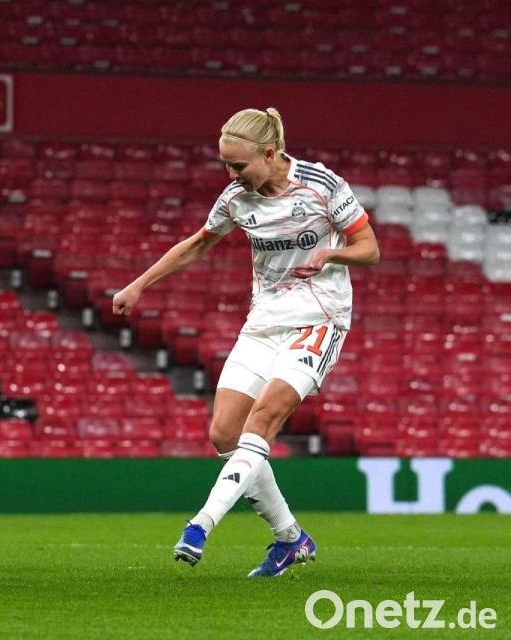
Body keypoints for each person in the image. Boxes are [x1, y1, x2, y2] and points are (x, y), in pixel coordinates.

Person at [112, 107, 379, 577]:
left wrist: (330, 255)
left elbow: (369, 248)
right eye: (225, 165)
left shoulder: (321, 185)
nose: (231, 175)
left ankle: (201, 524)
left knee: (263, 419)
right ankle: (291, 538)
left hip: (318, 320)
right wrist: (139, 285)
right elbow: (198, 243)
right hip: (263, 322)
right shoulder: (237, 198)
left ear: (270, 154)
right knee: (224, 433)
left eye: (238, 165)